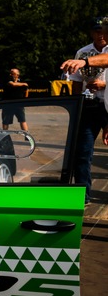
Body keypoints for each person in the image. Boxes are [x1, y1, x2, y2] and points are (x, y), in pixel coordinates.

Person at [61, 17, 107, 202]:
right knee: (82, 152)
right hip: (91, 105)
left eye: (103, 30)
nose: (100, 34)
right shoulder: (82, 52)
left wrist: (103, 84)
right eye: (97, 30)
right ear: (91, 32)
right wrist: (77, 107)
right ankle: (83, 196)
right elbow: (76, 84)